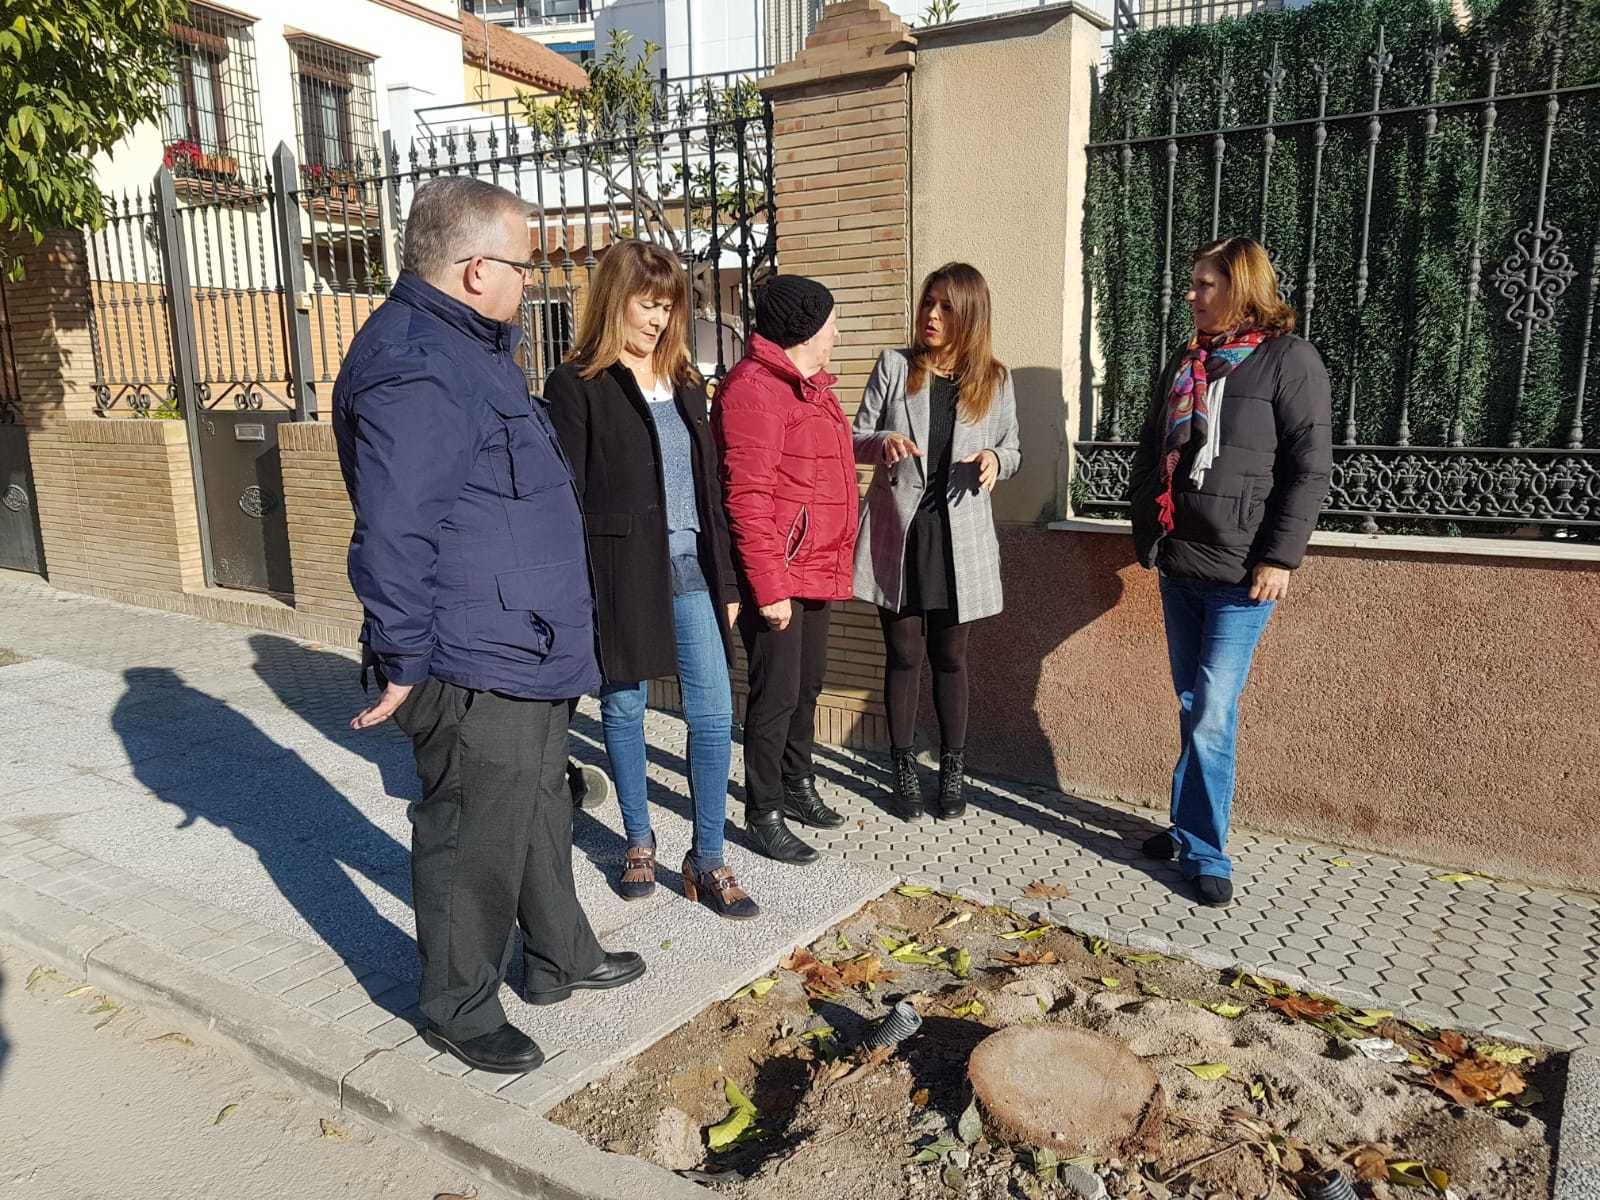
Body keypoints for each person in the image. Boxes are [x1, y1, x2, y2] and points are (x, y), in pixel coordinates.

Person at [334, 176, 644, 1075]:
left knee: (540, 807)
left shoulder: (469, 350)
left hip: (530, 641)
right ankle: (458, 1006)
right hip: (474, 656)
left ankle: (557, 956)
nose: (532, 275)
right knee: (473, 832)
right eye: (524, 260)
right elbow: (395, 525)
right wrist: (401, 655)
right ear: (477, 270)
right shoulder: (416, 361)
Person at [545, 240, 757, 920]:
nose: (660, 320)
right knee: (626, 706)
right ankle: (639, 840)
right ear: (615, 300)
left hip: (692, 563)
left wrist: (726, 582)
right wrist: (577, 590)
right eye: (648, 304)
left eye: (669, 306)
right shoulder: (576, 383)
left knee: (714, 711)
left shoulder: (687, 381)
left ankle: (709, 857)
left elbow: (710, 486)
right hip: (618, 569)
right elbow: (565, 496)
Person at [1128, 236, 1332, 907]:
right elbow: (1150, 447)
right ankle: (1189, 828)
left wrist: (1281, 556)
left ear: (1241, 287)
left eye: (1204, 284)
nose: (1191, 295)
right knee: (1193, 707)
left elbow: (1309, 468)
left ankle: (1208, 852)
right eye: (1192, 283)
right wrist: (1147, 535)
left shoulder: (1287, 361)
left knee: (1213, 712)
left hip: (1245, 575)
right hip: (1181, 563)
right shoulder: (1190, 361)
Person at [853, 263, 1021, 822]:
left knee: (951, 657)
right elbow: (853, 438)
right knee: (903, 656)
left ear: (968, 315)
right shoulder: (895, 366)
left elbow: (1013, 448)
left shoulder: (994, 379)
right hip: (901, 534)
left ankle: (952, 771)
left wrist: (997, 459)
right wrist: (884, 442)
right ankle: (902, 770)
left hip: (960, 536)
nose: (931, 315)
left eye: (946, 307)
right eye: (928, 303)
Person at [713, 276, 857, 865]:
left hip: (816, 566)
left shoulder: (810, 388)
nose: (838, 332)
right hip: (780, 575)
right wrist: (769, 590)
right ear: (806, 330)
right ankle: (763, 809)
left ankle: (798, 785)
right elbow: (746, 497)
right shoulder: (753, 391)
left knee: (806, 687)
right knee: (774, 696)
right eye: (830, 322)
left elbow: (822, 464)